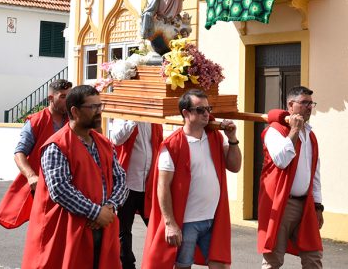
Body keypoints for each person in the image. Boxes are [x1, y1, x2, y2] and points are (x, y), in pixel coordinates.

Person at [21, 85, 128, 269]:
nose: (98, 112)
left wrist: (109, 207)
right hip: (68, 231)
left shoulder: (103, 142)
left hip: (103, 226)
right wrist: (96, 212)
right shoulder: (57, 145)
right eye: (92, 107)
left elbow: (121, 178)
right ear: (75, 111)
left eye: (99, 106)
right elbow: (60, 189)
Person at [142, 89, 241, 269]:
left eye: (208, 109)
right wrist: (170, 223)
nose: (206, 114)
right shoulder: (171, 145)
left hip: (214, 218)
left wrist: (232, 139)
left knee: (221, 265)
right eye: (200, 110)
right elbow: (162, 186)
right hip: (186, 221)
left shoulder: (215, 137)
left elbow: (235, 167)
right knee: (183, 266)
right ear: (186, 113)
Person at [0, 79, 72, 229]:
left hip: (68, 185)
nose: (67, 101)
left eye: (69, 96)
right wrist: (30, 176)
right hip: (43, 185)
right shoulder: (35, 121)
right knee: (44, 227)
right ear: (50, 98)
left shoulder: (73, 120)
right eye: (63, 96)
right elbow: (19, 153)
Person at [258, 86, 323, 269]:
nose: (309, 107)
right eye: (304, 103)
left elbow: (314, 173)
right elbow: (281, 161)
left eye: (311, 103)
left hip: (306, 204)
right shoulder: (275, 130)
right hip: (282, 204)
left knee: (313, 257)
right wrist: (293, 131)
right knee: (273, 260)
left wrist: (318, 205)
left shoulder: (310, 135)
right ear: (290, 105)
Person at [109, 119, 164, 269]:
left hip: (149, 183)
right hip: (127, 183)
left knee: (156, 226)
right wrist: (133, 119)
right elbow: (116, 139)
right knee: (124, 230)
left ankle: (157, 263)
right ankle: (127, 265)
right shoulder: (123, 118)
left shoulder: (154, 121)